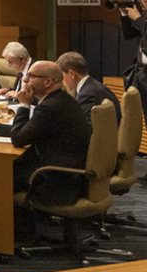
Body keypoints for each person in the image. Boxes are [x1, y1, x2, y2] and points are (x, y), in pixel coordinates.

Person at [10, 61, 91, 207]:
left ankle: (16, 228)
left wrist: (24, 105)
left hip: (57, 181)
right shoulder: (63, 100)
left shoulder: (49, 107)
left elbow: (18, 139)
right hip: (72, 173)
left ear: (48, 82)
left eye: (31, 76)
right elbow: (34, 129)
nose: (25, 80)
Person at [57, 51, 121, 125]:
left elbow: (82, 127)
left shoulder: (87, 95)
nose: (62, 81)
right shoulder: (92, 86)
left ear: (72, 74)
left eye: (62, 76)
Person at [119, 0, 147, 123]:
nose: (137, 3)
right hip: (141, 75)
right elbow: (129, 35)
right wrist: (124, 15)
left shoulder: (143, 19)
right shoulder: (144, 16)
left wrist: (138, 19)